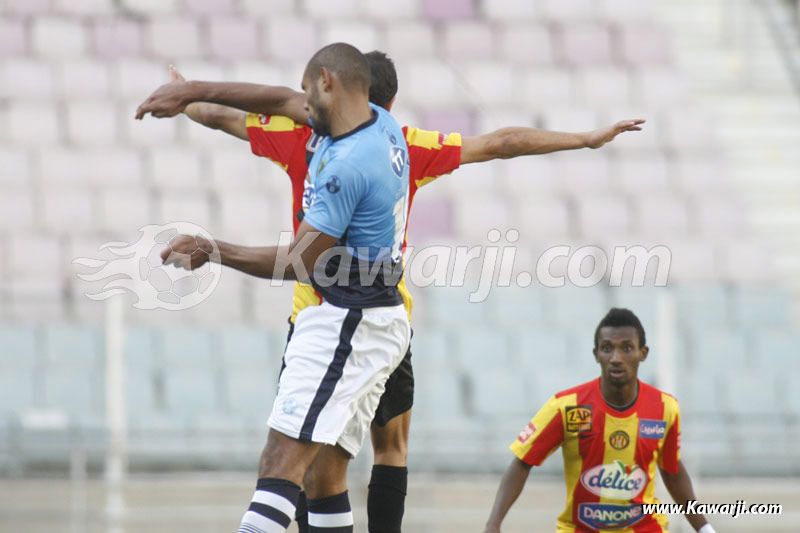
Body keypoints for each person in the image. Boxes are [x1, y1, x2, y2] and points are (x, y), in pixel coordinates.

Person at [136, 52, 645, 533]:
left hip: (328, 310)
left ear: (332, 92)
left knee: (300, 464)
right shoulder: (403, 138)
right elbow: (499, 142)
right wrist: (582, 139)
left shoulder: (300, 137)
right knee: (382, 450)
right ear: (386, 102)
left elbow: (233, 118)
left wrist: (191, 100)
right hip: (385, 312)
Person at [142, 42, 412, 533]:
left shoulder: (350, 165)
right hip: (366, 316)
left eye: (309, 91)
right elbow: (276, 99)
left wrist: (213, 249)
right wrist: (192, 93)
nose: (302, 103)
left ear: (328, 82)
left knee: (280, 462)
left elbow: (299, 262)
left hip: (350, 322)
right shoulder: (372, 116)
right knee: (323, 478)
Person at [483, 308, 715, 533]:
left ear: (642, 353)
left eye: (626, 348)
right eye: (607, 348)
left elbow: (672, 472)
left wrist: (704, 528)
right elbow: (522, 462)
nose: (616, 358)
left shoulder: (665, 408)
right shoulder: (566, 406)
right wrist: (493, 524)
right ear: (596, 354)